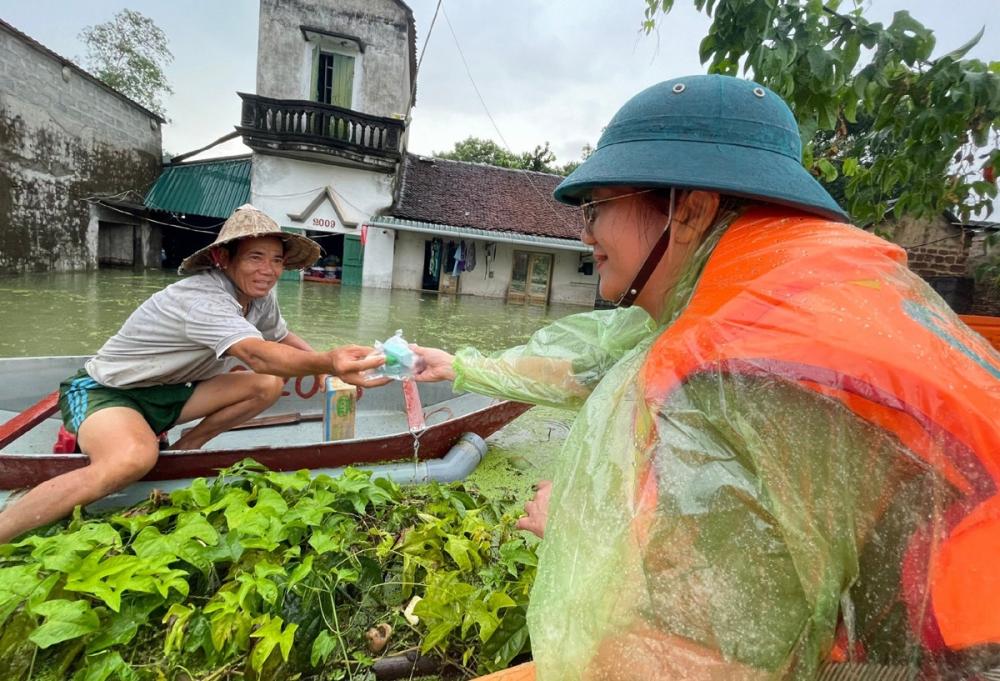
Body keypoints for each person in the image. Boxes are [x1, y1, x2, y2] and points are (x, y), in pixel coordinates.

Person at [413, 75, 1000, 679]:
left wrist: (584, 527)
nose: (583, 233)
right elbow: (589, 367)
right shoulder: (805, 293)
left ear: (687, 210)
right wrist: (458, 366)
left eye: (597, 208)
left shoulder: (740, 369)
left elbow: (695, 659)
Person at [0, 204, 387, 543]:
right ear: (223, 258)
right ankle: (6, 528)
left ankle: (187, 450)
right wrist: (330, 361)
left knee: (267, 386)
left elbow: (279, 336)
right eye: (255, 257)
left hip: (173, 390)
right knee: (131, 460)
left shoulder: (258, 296)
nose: (268, 270)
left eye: (276, 260)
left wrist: (322, 367)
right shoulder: (203, 299)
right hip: (109, 392)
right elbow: (258, 354)